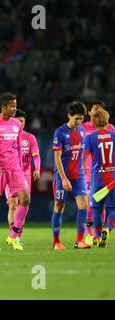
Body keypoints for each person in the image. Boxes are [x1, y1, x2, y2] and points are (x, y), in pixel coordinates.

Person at [0, 92, 29, 251]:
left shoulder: (17, 124)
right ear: (4, 107)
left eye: (15, 106)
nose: (15, 109)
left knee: (25, 199)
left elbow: (19, 146)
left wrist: (20, 167)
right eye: (12, 106)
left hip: (15, 168)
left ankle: (14, 235)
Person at [51, 101, 90, 250]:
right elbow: (57, 158)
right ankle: (56, 242)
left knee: (83, 205)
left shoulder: (81, 131)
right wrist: (63, 178)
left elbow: (80, 153)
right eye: (76, 119)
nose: (79, 122)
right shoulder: (60, 133)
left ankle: (80, 240)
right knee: (59, 205)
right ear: (69, 116)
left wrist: (83, 166)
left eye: (81, 119)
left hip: (78, 176)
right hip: (63, 176)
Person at [4, 109, 41, 246]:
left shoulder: (30, 138)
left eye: (22, 121)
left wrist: (37, 168)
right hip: (9, 173)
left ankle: (17, 235)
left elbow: (36, 156)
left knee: (22, 205)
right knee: (13, 204)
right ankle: (12, 234)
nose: (19, 124)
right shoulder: (7, 137)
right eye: (17, 121)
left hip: (25, 175)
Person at [81, 100, 115, 244]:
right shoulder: (113, 135)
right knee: (112, 208)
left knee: (96, 208)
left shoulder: (90, 137)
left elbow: (84, 157)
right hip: (112, 176)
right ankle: (108, 229)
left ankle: (98, 235)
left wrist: (81, 169)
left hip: (97, 177)